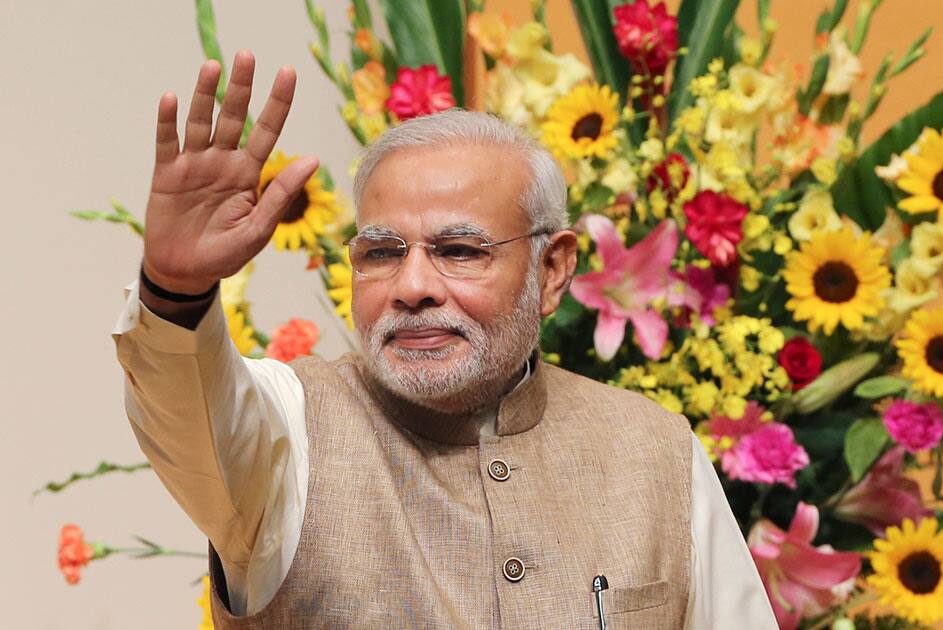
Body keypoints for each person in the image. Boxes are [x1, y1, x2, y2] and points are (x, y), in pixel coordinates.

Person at [112, 49, 778, 629]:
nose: (412, 285)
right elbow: (188, 411)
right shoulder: (290, 429)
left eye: (460, 250)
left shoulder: (653, 450)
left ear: (551, 271)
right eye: (380, 253)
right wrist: (175, 288)